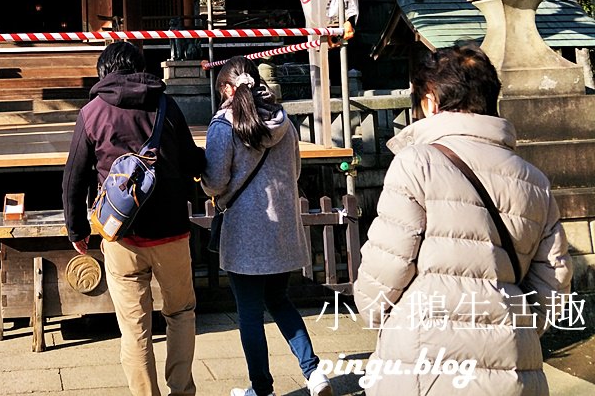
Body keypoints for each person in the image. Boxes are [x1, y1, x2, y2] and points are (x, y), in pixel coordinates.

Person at [353, 44, 573, 395]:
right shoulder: (533, 179)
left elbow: (386, 265)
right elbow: (555, 278)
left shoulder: (416, 163)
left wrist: (378, 315)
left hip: (424, 355)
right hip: (513, 359)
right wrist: (519, 325)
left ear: (430, 100)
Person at [62, 40, 205, 396]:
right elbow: (191, 161)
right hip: (172, 230)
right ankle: (183, 389)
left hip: (122, 235)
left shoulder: (92, 112)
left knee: (134, 326)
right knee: (181, 313)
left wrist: (77, 229)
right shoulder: (166, 105)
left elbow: (74, 177)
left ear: (103, 71)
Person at [201, 56, 333, 396]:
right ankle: (314, 373)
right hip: (282, 229)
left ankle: (261, 388)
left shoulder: (222, 125)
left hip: (245, 232)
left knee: (249, 313)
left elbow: (215, 181)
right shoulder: (282, 120)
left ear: (228, 88)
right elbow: (296, 169)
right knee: (280, 300)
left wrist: (204, 184)